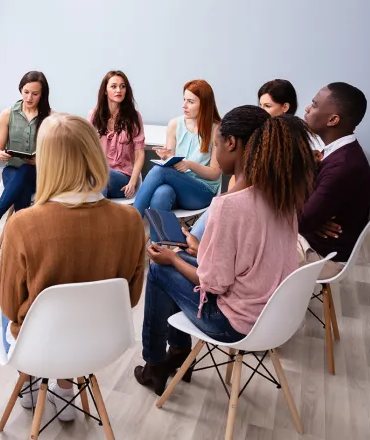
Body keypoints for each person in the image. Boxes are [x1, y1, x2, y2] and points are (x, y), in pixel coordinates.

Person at [133, 107, 315, 396]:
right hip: (274, 315)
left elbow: (214, 283)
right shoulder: (282, 196)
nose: (216, 151)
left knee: (159, 268)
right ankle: (178, 355)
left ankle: (156, 364)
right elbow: (247, 258)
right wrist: (199, 247)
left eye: (216, 144)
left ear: (232, 143)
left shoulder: (229, 205)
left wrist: (173, 259)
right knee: (180, 257)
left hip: (236, 324)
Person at [0, 113, 146, 421]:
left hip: (40, 342)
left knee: (13, 301)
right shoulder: (131, 221)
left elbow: (11, 307)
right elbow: (130, 298)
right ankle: (67, 387)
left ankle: (31, 382)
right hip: (101, 339)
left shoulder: (22, 224)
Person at [190, 79, 300, 239]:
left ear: (285, 107)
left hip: (249, 210)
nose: (262, 110)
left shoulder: (282, 145)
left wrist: (230, 199)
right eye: (260, 105)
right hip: (239, 205)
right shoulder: (259, 137)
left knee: (188, 244)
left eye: (267, 106)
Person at [300, 82, 370, 279]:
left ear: (333, 119)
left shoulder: (344, 166)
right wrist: (312, 217)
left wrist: (309, 218)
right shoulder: (337, 153)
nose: (307, 108)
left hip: (324, 256)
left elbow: (302, 221)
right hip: (315, 239)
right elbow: (307, 215)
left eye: (314, 105)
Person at [132, 80, 222, 238]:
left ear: (205, 104)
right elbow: (171, 163)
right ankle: (158, 252)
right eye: (184, 100)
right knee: (161, 194)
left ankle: (131, 222)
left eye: (190, 101)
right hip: (176, 186)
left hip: (201, 191)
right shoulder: (175, 124)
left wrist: (190, 165)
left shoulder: (217, 130)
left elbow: (215, 173)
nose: (184, 105)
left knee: (160, 171)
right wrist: (167, 157)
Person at [0, 71, 50, 239]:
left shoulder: (50, 117)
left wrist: (40, 159)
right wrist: (1, 155)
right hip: (12, 169)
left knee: (27, 170)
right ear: (21, 90)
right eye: (26, 92)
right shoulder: (8, 114)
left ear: (42, 95)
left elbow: (56, 153)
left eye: (35, 94)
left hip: (40, 173)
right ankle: (25, 239)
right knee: (23, 184)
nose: (29, 98)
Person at [88, 70, 145, 199]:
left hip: (122, 180)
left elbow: (140, 154)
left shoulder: (134, 117)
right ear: (105, 90)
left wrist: (132, 182)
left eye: (122, 86)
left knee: (100, 174)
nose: (118, 90)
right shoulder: (94, 115)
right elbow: (86, 149)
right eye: (113, 86)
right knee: (94, 174)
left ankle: (94, 216)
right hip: (97, 176)